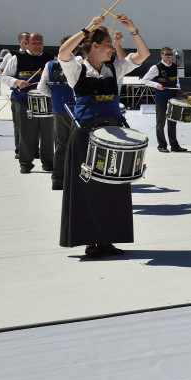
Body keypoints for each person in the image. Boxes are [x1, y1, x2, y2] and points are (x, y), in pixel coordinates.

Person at [57, 13, 149, 257]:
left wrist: (132, 29)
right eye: (109, 45)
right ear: (95, 46)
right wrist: (88, 28)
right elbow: (63, 52)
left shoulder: (114, 69)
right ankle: (89, 241)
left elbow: (143, 56)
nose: (113, 49)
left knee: (113, 189)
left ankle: (108, 240)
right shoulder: (76, 70)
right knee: (85, 190)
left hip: (113, 136)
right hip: (85, 136)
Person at [0, 32, 54, 174]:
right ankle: (25, 163)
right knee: (26, 132)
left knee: (48, 132)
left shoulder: (50, 59)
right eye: (34, 43)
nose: (37, 46)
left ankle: (48, 162)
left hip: (46, 100)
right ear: (27, 44)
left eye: (39, 43)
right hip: (23, 99)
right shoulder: (16, 58)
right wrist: (16, 82)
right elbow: (4, 76)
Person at [37, 41, 80, 190]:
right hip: (79, 109)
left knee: (61, 145)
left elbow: (41, 87)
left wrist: (56, 97)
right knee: (80, 144)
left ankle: (57, 180)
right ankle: (77, 178)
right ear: (77, 48)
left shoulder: (50, 65)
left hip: (60, 109)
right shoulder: (81, 62)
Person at [141, 46, 186, 153]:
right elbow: (144, 80)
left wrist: (178, 88)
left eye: (170, 54)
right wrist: (156, 85)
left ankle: (174, 145)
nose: (169, 56)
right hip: (161, 98)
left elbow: (176, 80)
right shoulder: (156, 67)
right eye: (167, 54)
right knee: (160, 122)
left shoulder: (175, 66)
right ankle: (161, 145)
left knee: (172, 121)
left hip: (173, 97)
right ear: (162, 55)